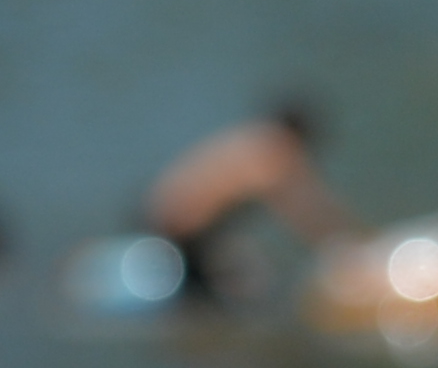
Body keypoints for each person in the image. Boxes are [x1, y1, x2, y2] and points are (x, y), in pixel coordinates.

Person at [138, 97, 354, 306]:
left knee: (238, 284)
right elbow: (305, 214)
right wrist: (347, 248)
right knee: (236, 294)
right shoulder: (274, 152)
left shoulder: (255, 140)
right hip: (181, 232)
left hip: (164, 220)